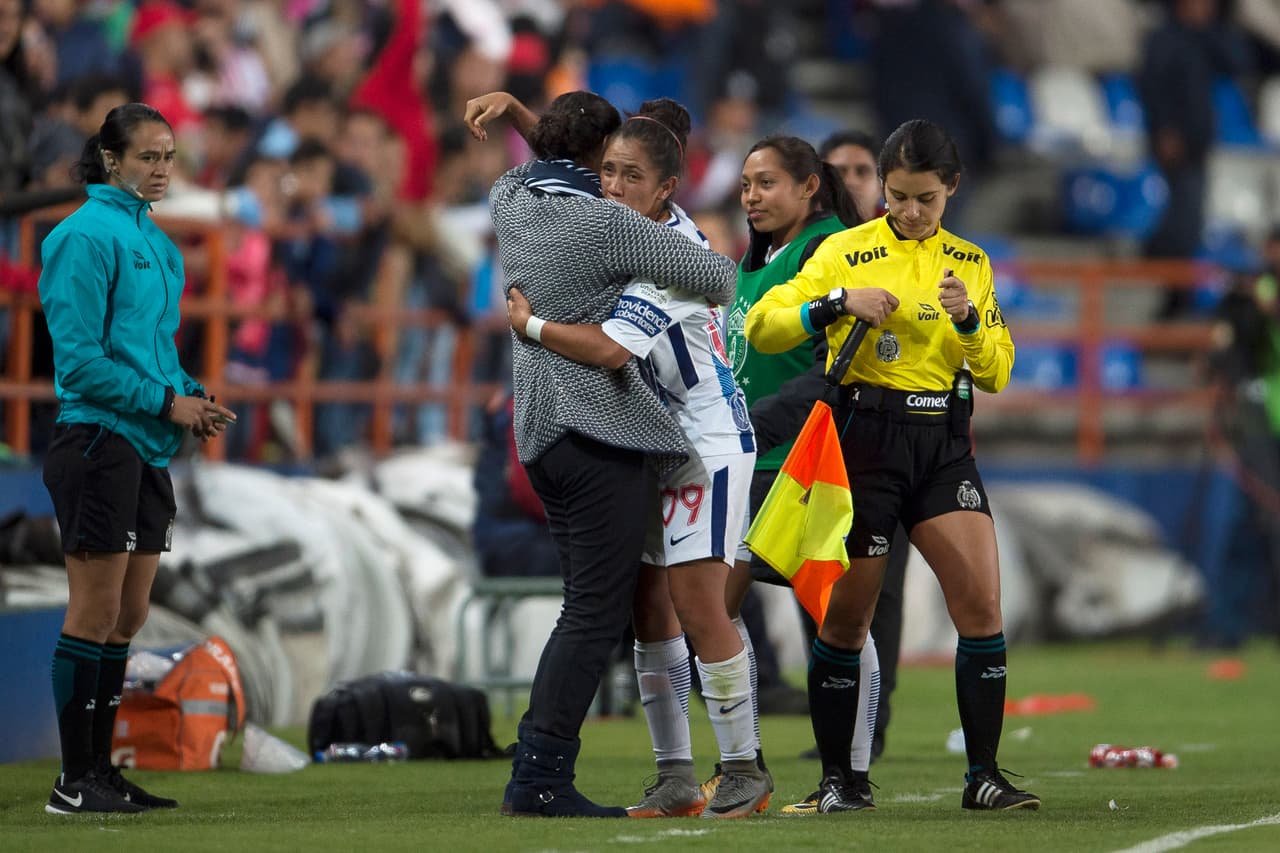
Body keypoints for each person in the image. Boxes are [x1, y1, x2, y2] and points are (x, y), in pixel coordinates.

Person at [745, 118, 1039, 812]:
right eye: (898, 195)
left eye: (926, 199)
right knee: (848, 621)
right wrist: (836, 304)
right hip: (864, 441)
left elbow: (997, 370)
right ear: (880, 184)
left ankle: (984, 775)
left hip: (943, 442)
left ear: (952, 191)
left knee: (982, 609)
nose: (909, 212)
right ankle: (842, 781)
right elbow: (763, 321)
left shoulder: (970, 263)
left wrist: (968, 322)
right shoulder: (845, 251)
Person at [502, 96, 770, 820]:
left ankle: (744, 766)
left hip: (705, 443)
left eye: (629, 176)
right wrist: (525, 116)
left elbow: (613, 349)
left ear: (664, 192)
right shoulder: (625, 233)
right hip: (657, 441)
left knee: (696, 600)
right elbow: (566, 167)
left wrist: (532, 325)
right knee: (647, 608)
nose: (612, 186)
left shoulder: (667, 259)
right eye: (608, 172)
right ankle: (676, 774)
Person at [38, 102, 236, 815]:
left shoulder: (156, 241)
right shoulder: (81, 237)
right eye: (147, 156)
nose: (160, 169)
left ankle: (101, 769)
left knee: (128, 612)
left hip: (143, 443)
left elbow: (154, 351)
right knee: (92, 611)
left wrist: (190, 393)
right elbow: (82, 362)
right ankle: (74, 777)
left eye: (169, 156)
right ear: (111, 159)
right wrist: (165, 402)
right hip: (97, 438)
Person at [720, 135, 881, 814]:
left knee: (837, 621)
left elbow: (834, 368)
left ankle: (849, 774)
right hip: (748, 459)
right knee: (712, 610)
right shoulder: (761, 254)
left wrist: (758, 418)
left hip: (800, 462)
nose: (752, 197)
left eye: (767, 183)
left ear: (810, 185)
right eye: (746, 185)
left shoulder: (829, 251)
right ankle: (742, 765)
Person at [819, 129, 908, 764]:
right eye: (837, 170)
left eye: (859, 168)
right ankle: (841, 728)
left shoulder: (903, 251)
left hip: (886, 440)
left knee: (880, 590)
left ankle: (869, 727)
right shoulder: (823, 252)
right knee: (823, 588)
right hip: (816, 436)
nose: (849, 180)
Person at [818, 130, 884, 224]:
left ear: (881, 186)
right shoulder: (796, 233)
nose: (851, 182)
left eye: (862, 172)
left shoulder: (905, 235)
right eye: (838, 172)